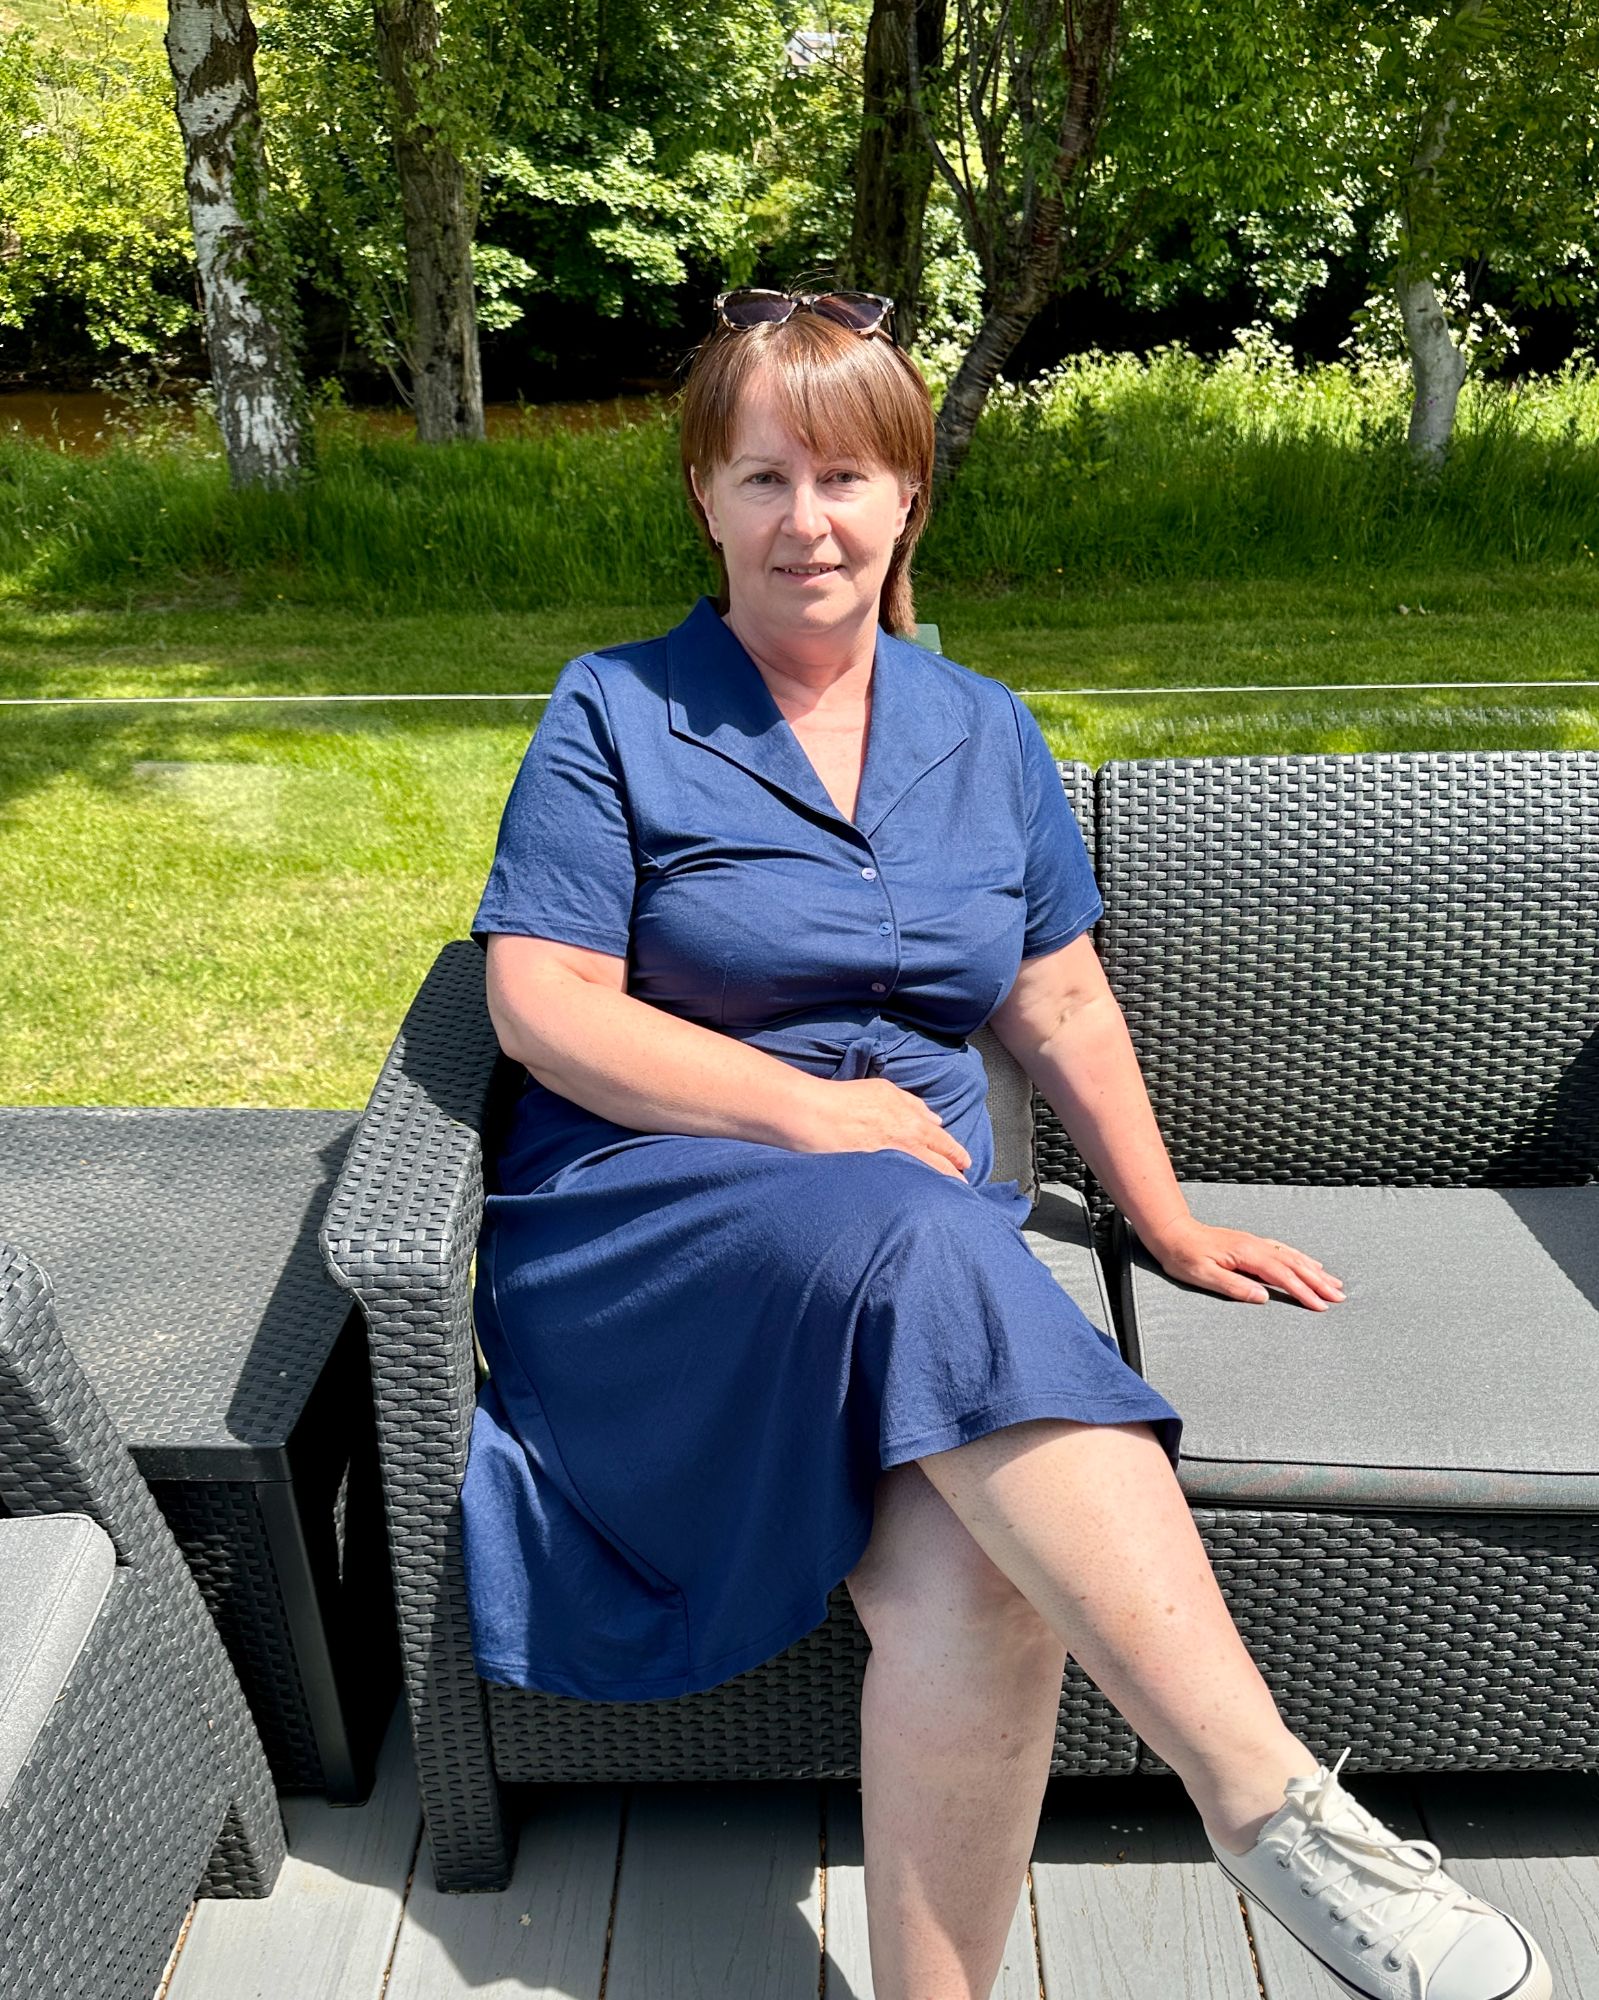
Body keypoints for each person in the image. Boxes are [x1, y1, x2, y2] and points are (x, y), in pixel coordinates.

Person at [462, 287, 1551, 2000]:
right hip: (656, 1217)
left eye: (844, 477)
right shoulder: (616, 711)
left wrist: (1168, 1219)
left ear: (907, 496)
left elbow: (1059, 1002)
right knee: (916, 1214)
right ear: (703, 497)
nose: (805, 521)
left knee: (978, 1576)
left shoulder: (984, 732)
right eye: (762, 478)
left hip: (914, 1250)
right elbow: (544, 1011)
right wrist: (815, 1111)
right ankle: (1274, 1808)